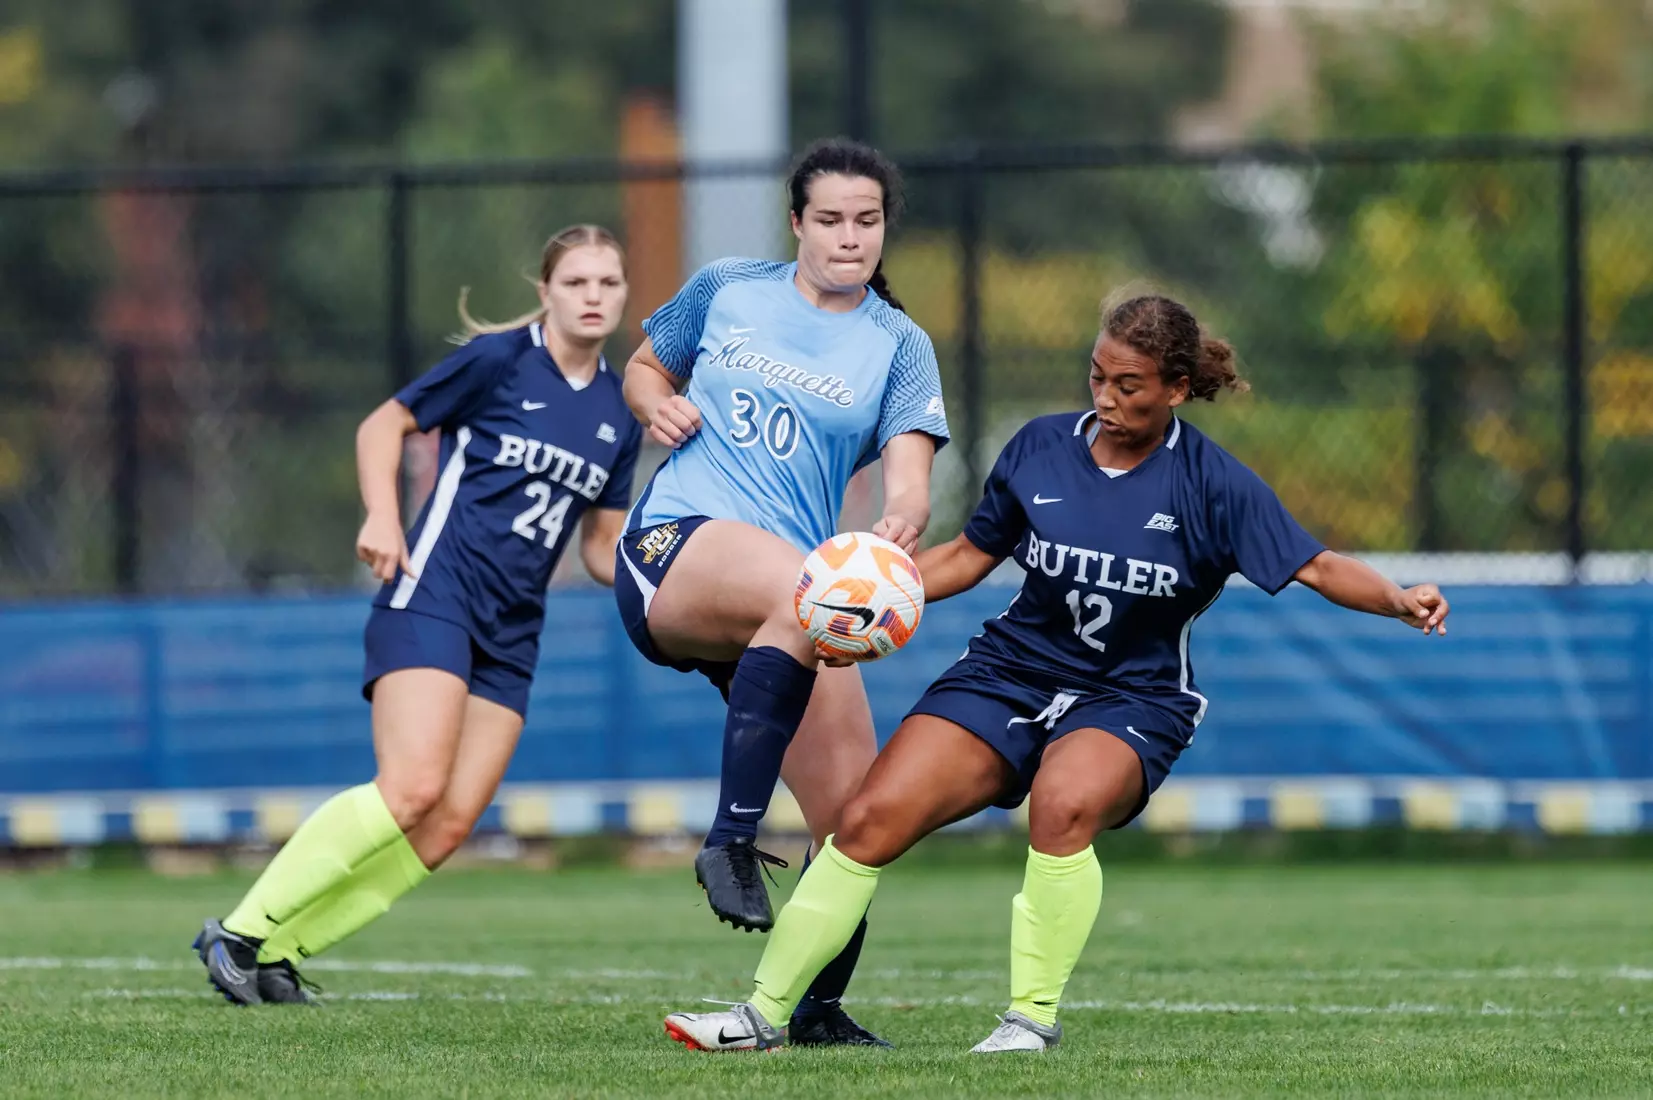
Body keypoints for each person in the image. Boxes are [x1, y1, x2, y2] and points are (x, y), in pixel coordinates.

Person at [660, 292, 1451, 1053]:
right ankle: (760, 1016)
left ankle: (1028, 1021)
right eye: (1096, 377)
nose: (1106, 397)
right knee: (866, 821)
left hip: (1131, 697)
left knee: (1062, 805)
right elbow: (969, 556)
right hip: (1009, 673)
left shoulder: (1212, 484)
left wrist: (1396, 598)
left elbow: (1314, 566)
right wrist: (861, 600)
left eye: (1129, 385)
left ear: (1177, 388)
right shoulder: (1039, 446)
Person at [192, 225, 641, 1005]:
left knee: (447, 824)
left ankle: (279, 952)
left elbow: (601, 547)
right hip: (434, 592)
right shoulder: (502, 361)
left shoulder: (620, 410)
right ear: (545, 291)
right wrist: (380, 516)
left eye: (608, 282)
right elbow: (383, 423)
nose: (593, 296)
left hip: (513, 629)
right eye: (577, 282)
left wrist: (660, 577)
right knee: (410, 788)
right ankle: (237, 930)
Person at [613, 137, 948, 1045]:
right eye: (830, 219)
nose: (849, 237)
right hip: (674, 549)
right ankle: (729, 839)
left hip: (792, 607)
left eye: (867, 221)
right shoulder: (729, 286)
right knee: (807, 591)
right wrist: (654, 401)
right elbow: (645, 366)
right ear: (796, 224)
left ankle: (816, 1009)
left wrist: (901, 519)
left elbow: (911, 475)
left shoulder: (899, 345)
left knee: (859, 819)